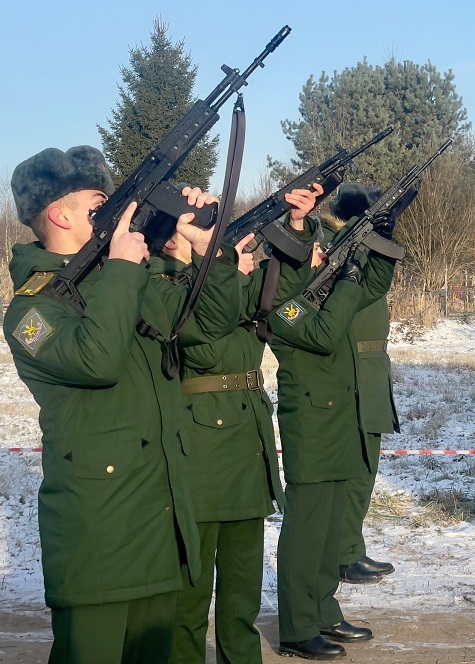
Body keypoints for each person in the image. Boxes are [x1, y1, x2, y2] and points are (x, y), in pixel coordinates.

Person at [2, 145, 241, 664]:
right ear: (59, 214)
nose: (112, 212)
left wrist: (210, 248)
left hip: (159, 523)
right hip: (99, 539)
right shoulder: (31, 310)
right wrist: (123, 270)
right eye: (97, 203)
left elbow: (209, 325)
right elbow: (97, 359)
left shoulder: (125, 279)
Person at [161, 184, 322, 664]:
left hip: (247, 445)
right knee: (190, 597)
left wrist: (295, 223)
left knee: (241, 595)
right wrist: (220, 266)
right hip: (202, 451)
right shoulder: (168, 290)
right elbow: (205, 341)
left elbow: (287, 289)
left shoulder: (229, 281)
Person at [265, 230, 397, 661]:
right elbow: (324, 333)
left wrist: (380, 242)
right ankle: (297, 628)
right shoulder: (282, 309)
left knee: (327, 531)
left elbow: (374, 286)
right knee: (306, 533)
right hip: (313, 427)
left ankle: (323, 611)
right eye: (314, 253)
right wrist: (346, 280)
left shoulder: (316, 297)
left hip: (338, 421)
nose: (322, 255)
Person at [322, 184, 398, 585]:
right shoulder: (343, 249)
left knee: (365, 467)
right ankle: (344, 552)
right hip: (353, 369)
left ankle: (350, 547)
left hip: (370, 368)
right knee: (355, 470)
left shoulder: (361, 247)